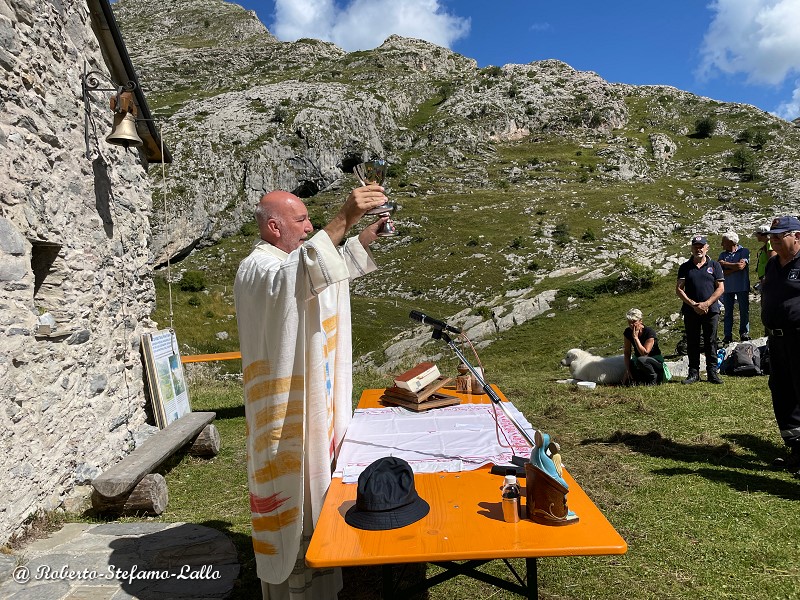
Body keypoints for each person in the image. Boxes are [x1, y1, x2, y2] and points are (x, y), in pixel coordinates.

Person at [234, 185, 389, 599]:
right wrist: (344, 216)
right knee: (295, 505)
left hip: (313, 406)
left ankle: (322, 576)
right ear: (274, 227)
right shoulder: (257, 268)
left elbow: (317, 277)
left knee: (318, 492)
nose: (309, 227)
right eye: (301, 220)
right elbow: (297, 275)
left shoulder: (288, 264)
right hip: (284, 418)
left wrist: (360, 242)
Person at [760, 215, 800, 477]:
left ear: (797, 236)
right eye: (771, 236)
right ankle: (796, 447)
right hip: (777, 339)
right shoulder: (774, 263)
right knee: (782, 389)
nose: (773, 239)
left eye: (779, 235)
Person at [676, 234, 725, 384]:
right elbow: (679, 289)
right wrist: (693, 304)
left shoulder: (714, 265)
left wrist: (707, 303)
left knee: (711, 341)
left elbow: (720, 288)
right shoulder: (685, 267)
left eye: (701, 246)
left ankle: (712, 372)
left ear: (706, 248)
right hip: (691, 310)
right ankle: (693, 373)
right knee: (692, 341)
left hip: (711, 309)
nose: (698, 249)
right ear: (691, 248)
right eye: (695, 247)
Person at [717, 231, 750, 343]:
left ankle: (744, 333)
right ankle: (727, 335)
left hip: (742, 286)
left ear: (731, 242)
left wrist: (725, 264)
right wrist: (735, 267)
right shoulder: (722, 255)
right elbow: (721, 272)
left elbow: (741, 266)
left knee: (744, 310)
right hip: (727, 288)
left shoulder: (744, 251)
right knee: (728, 312)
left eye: (724, 242)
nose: (722, 244)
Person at [622, 308, 666, 385]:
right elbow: (627, 352)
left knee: (642, 360)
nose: (632, 325)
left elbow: (644, 353)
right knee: (628, 379)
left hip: (653, 360)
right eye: (629, 322)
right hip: (638, 360)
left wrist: (635, 338)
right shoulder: (628, 332)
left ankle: (654, 378)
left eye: (634, 322)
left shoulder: (649, 332)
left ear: (640, 321)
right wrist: (627, 370)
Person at [753, 224, 777, 290]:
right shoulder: (767, 244)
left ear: (762, 234)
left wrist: (767, 276)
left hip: (767, 276)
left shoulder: (769, 243)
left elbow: (772, 261)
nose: (756, 236)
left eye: (757, 234)